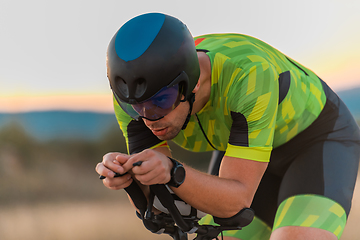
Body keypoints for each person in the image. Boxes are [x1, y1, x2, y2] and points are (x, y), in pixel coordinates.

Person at [95, 12, 360, 240]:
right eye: (135, 107)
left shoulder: (247, 76)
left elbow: (237, 199)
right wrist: (128, 177)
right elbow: (164, 201)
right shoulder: (136, 97)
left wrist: (173, 170)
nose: (148, 118)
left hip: (316, 142)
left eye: (161, 102)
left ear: (193, 83)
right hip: (243, 152)